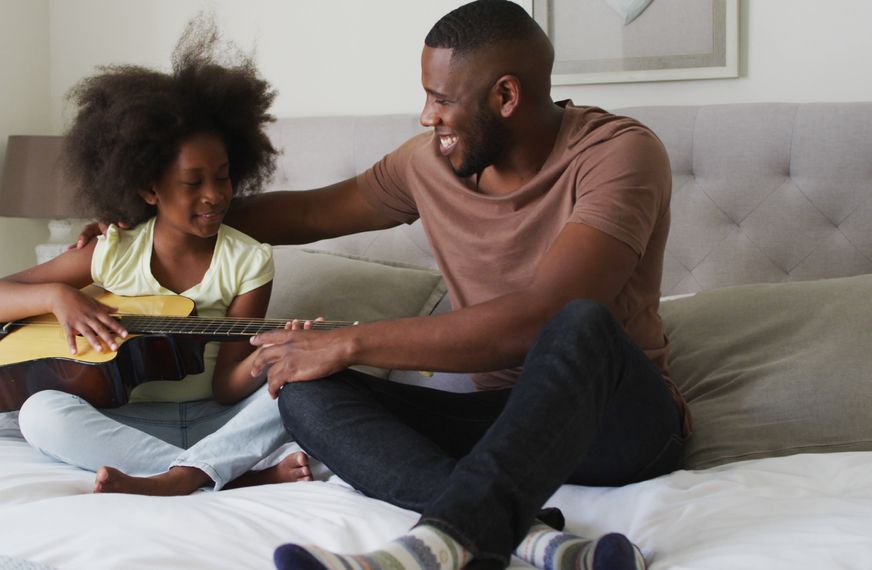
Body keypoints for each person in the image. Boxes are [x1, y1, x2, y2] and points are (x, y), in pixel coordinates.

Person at [75, 2, 684, 569]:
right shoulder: (429, 162)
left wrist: (351, 342)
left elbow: (540, 317)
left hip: (618, 424)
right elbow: (313, 214)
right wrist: (161, 218)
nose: (427, 116)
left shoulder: (619, 154)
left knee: (579, 323)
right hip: (500, 420)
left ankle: (432, 549)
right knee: (299, 383)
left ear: (505, 95)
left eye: (441, 98)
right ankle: (538, 542)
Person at [0, 17, 314, 498]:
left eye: (223, 177)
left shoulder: (249, 261)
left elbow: (226, 387)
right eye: (193, 182)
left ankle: (179, 479)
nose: (214, 195)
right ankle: (225, 475)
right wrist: (58, 298)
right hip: (127, 421)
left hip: (218, 418)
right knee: (39, 413)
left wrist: (271, 363)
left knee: (307, 391)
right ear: (149, 188)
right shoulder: (113, 252)